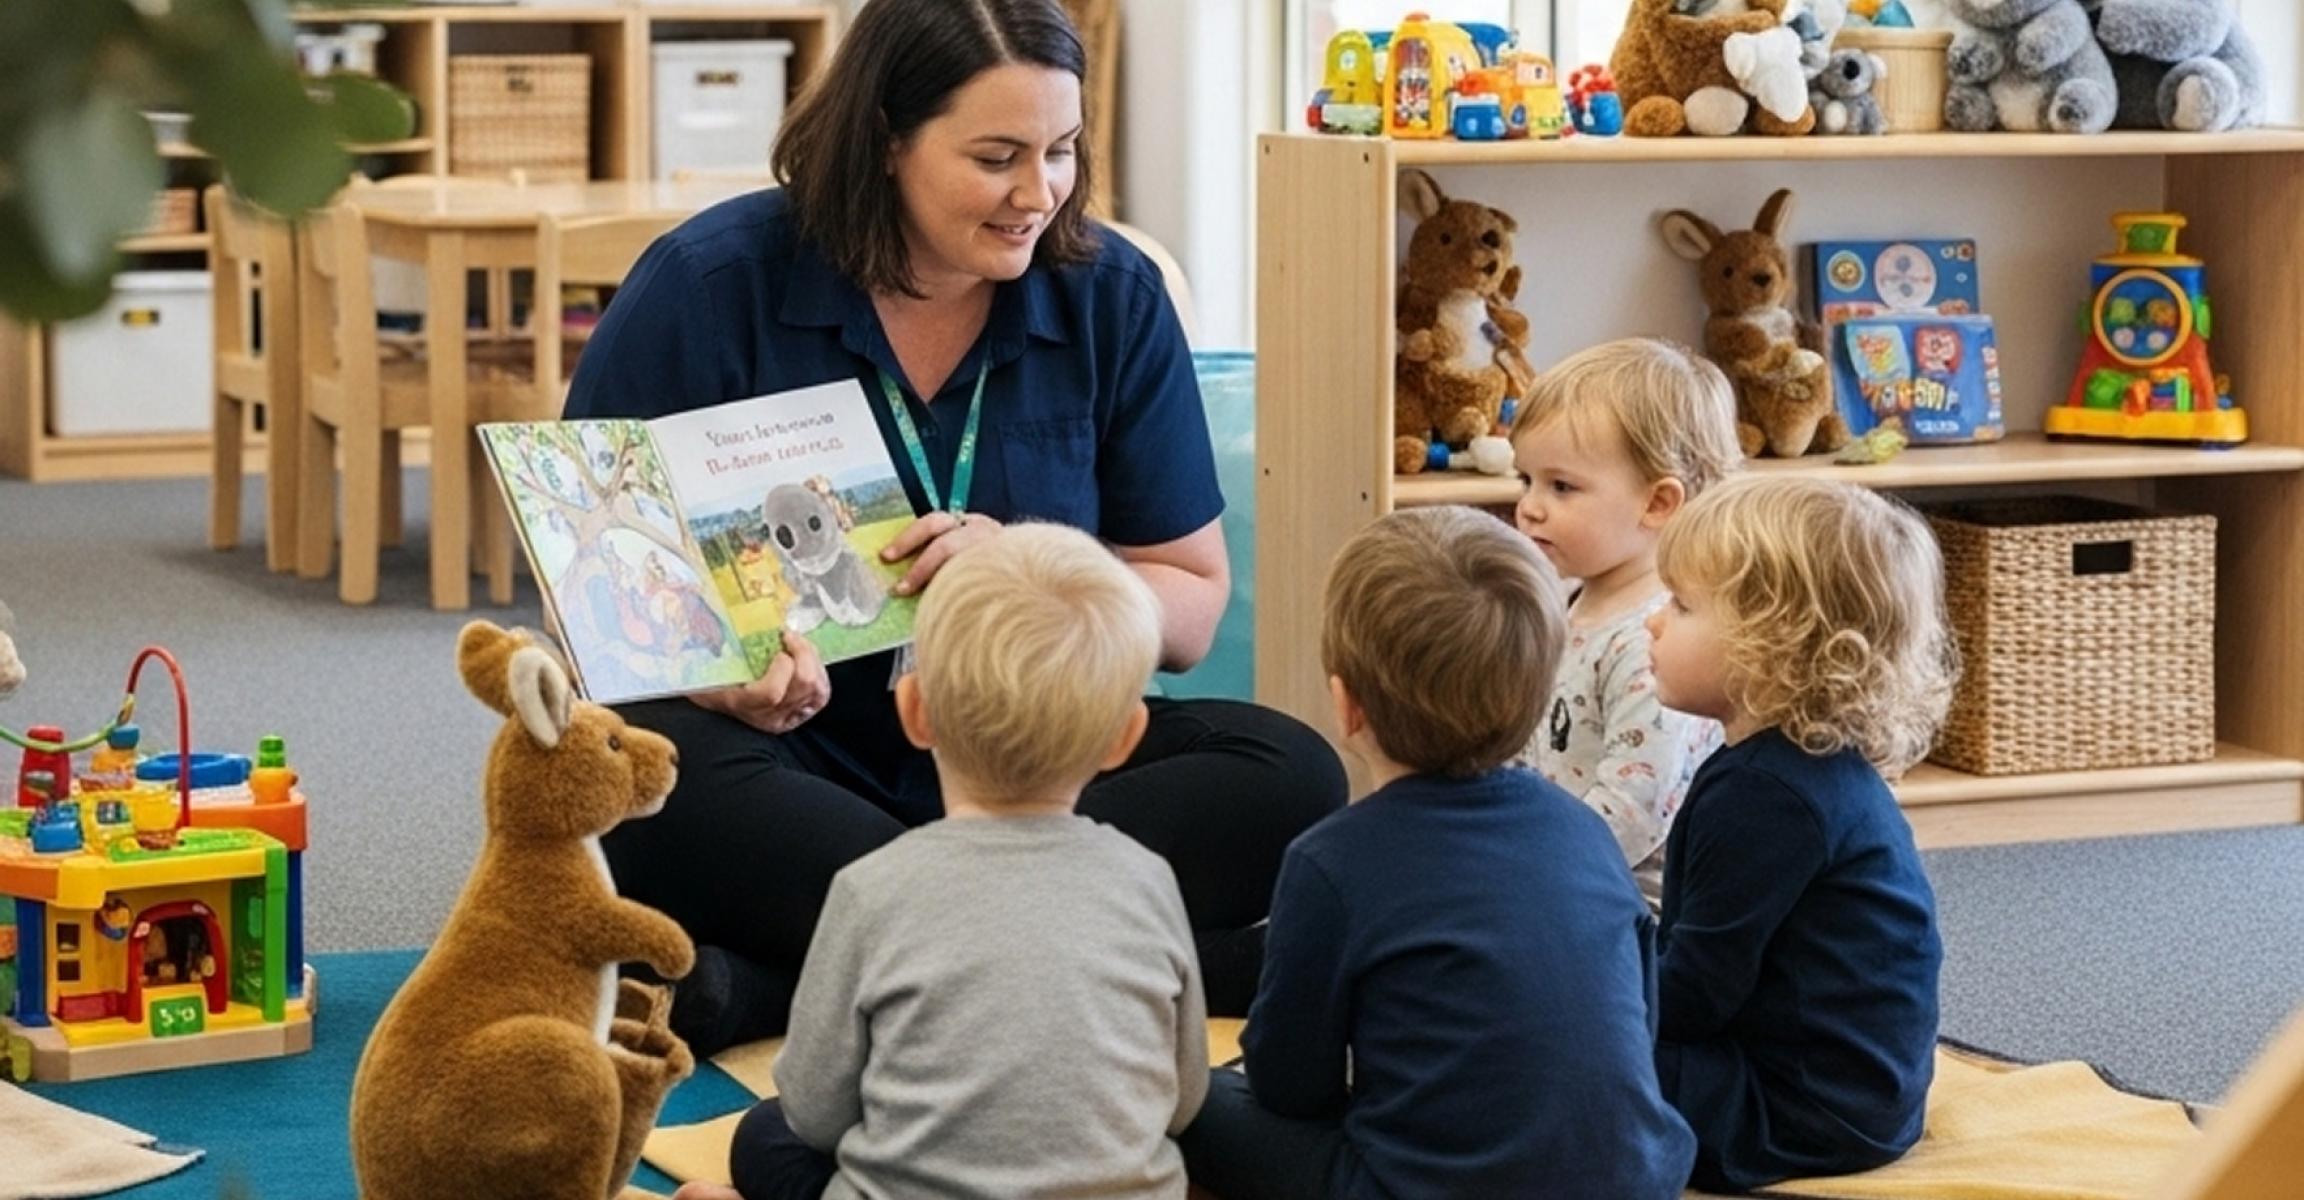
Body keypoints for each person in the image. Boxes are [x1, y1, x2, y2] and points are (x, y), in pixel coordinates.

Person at [563, 0, 1343, 1053]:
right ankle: (1174, 965)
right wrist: (713, 668)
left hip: (1037, 760)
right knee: (646, 781)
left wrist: (1035, 570)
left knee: (1290, 770)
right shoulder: (707, 286)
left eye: (1062, 152)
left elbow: (1190, 602)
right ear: (886, 139)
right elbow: (585, 585)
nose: (1038, 193)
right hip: (793, 763)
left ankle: (792, 985)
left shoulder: (1112, 297)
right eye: (997, 157)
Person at [1177, 506, 1696, 1200]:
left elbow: (1290, 1085)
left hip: (1416, 1186)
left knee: (1190, 1097)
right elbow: (1636, 1022)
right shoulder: (1587, 834)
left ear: (1346, 705)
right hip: (1633, 1176)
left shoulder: (1332, 861)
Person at [676, 524, 1208, 1200]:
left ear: (915, 710)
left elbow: (815, 1109)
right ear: (1126, 736)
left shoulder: (872, 888)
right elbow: (1183, 1098)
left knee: (767, 1139)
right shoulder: (1148, 880)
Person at [1644, 475, 1957, 1191]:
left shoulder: (1765, 794)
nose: (1653, 622)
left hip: (1798, 1114)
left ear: (1775, 644)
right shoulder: (1786, 767)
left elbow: (1693, 999)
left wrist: (1577, 980)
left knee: (1550, 1050)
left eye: (1683, 605)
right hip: (1850, 1098)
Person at [1509, 337, 1740, 907]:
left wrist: (1521, 868)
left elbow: (1636, 807)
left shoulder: (1654, 636)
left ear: (1658, 503)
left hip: (1623, 903)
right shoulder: (1570, 599)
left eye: (1561, 486)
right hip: (1556, 864)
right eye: (1526, 481)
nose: (1531, 506)